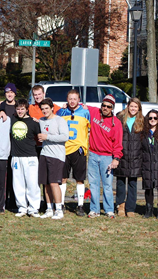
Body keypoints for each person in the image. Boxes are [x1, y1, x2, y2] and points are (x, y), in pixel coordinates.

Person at [85, 94, 123, 219]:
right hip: (93, 154)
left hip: (107, 157)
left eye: (108, 106)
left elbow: (118, 143)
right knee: (93, 184)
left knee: (107, 185)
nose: (105, 108)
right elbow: (80, 106)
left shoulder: (116, 123)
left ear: (112, 108)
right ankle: (94, 210)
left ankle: (109, 210)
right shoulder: (94, 112)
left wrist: (116, 158)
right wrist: (65, 106)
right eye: (103, 105)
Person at [56, 89, 91, 217]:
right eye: (70, 98)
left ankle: (80, 205)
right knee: (63, 178)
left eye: (75, 99)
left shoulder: (85, 112)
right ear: (67, 99)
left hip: (78, 149)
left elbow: (91, 129)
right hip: (64, 149)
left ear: (79, 100)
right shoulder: (62, 112)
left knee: (80, 179)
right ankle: (61, 204)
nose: (72, 101)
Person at [38, 98, 69, 220]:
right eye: (42, 109)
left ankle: (59, 209)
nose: (44, 111)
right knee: (45, 184)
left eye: (46, 108)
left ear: (52, 108)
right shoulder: (41, 120)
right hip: (44, 154)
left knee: (54, 183)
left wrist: (47, 137)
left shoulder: (59, 120)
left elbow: (65, 137)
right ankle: (49, 209)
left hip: (56, 156)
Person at [10, 99, 41, 217]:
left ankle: (33, 208)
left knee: (32, 183)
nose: (20, 111)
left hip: (31, 156)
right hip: (16, 156)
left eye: (22, 109)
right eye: (18, 109)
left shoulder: (33, 122)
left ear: (27, 109)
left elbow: (40, 136)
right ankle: (22, 208)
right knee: (18, 184)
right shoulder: (12, 119)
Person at [114, 98, 144, 218]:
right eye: (131, 106)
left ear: (139, 109)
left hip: (136, 156)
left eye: (136, 107)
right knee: (120, 182)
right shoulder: (120, 118)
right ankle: (120, 206)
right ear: (127, 106)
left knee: (133, 183)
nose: (133, 109)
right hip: (122, 154)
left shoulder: (142, 120)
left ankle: (130, 208)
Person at [141, 110, 158, 219]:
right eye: (150, 118)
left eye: (155, 118)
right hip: (147, 162)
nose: (152, 120)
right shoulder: (143, 132)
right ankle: (149, 210)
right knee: (148, 187)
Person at [0, 83, 17, 210]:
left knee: (15, 174)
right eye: (7, 92)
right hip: (3, 145)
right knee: (3, 174)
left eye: (11, 92)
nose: (9, 94)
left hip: (16, 144)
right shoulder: (2, 106)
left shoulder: (19, 106)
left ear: (15, 93)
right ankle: (1, 200)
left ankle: (14, 201)